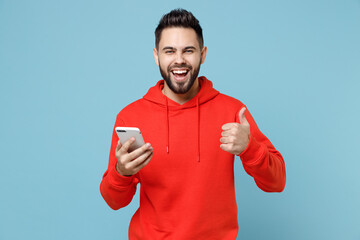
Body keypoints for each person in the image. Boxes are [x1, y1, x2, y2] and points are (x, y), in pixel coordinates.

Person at [100, 8, 286, 240]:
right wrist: (122, 173)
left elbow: (277, 182)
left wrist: (250, 149)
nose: (179, 60)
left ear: (203, 54)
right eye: (170, 51)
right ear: (157, 56)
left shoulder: (232, 111)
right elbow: (114, 201)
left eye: (188, 50)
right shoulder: (131, 116)